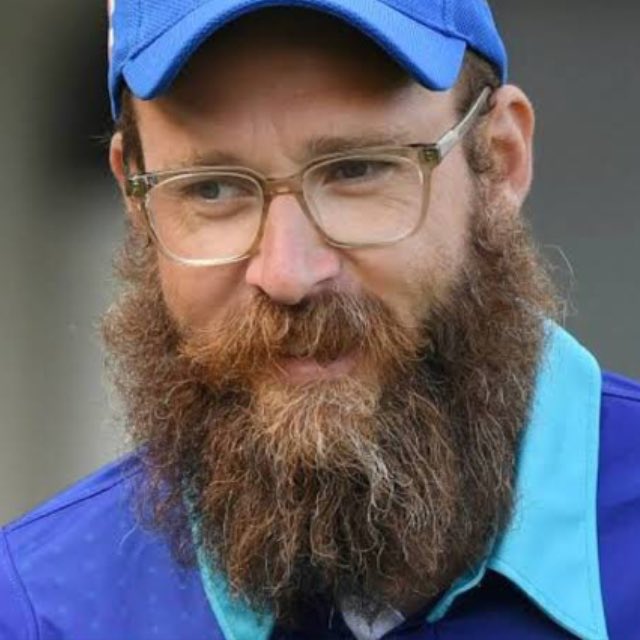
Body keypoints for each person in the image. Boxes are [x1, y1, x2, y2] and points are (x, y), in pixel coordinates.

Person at [1, 0, 638, 638]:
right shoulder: (42, 612)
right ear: (135, 199)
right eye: (210, 188)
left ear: (499, 160)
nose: (287, 273)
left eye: (356, 170)